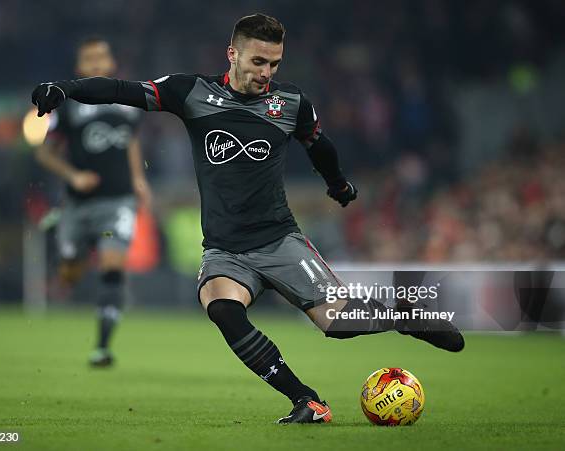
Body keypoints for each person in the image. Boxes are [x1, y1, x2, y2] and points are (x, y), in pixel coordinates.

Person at [32, 14, 463, 423]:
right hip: (224, 248)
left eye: (274, 63)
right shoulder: (192, 92)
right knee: (221, 308)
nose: (266, 72)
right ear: (232, 54)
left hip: (279, 240)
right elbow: (121, 90)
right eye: (258, 61)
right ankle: (307, 400)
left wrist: (338, 184)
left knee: (337, 324)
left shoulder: (291, 102)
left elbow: (319, 145)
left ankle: (405, 316)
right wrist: (65, 89)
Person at [35, 37, 152, 367]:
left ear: (112, 63)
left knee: (112, 264)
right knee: (70, 274)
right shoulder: (69, 106)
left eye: (103, 57)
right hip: (78, 203)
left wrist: (139, 179)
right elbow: (44, 153)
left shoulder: (129, 102)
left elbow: (130, 143)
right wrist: (73, 176)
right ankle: (65, 231)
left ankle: (102, 346)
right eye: (90, 59)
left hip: (118, 202)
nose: (98, 64)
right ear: (79, 69)